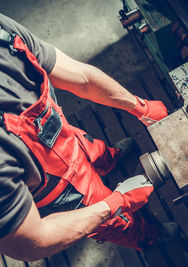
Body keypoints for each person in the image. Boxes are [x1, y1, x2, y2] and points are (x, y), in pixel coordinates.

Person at [0, 13, 170, 261]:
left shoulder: (4, 37)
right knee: (115, 222)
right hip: (59, 191)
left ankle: (110, 159)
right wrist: (114, 203)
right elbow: (29, 244)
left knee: (97, 151)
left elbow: (83, 79)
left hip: (67, 138)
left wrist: (139, 106)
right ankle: (147, 236)